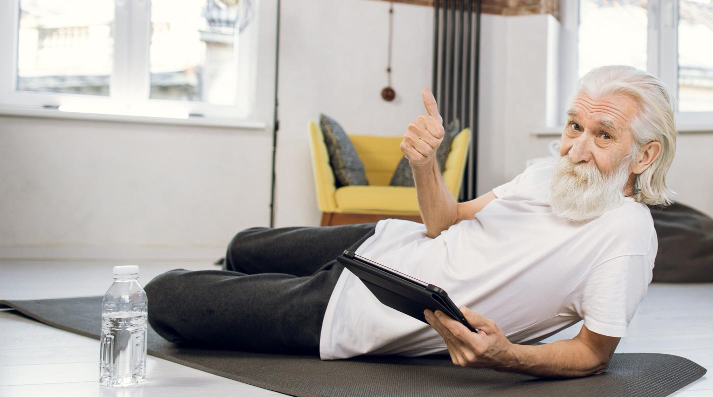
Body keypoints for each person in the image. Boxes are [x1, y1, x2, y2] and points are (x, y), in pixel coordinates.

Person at [146, 64, 678, 378]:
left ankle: (251, 293)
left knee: (165, 296)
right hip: (381, 243)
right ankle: (245, 279)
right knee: (245, 245)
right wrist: (425, 166)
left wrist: (507, 355)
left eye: (603, 135)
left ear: (646, 155)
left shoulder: (626, 235)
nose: (577, 149)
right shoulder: (546, 172)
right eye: (574, 126)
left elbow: (592, 353)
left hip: (365, 309)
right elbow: (445, 222)